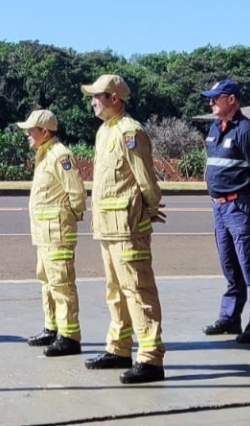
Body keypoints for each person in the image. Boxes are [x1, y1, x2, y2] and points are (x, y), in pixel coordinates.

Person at [80, 74, 167, 384]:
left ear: (114, 99)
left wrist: (151, 208)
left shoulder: (131, 132)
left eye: (97, 96)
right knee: (115, 291)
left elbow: (146, 180)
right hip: (107, 227)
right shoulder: (105, 131)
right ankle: (119, 349)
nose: (92, 101)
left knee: (138, 290)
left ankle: (150, 358)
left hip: (128, 228)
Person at [200, 79, 250, 344]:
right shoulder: (214, 129)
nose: (210, 103)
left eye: (215, 98)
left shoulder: (247, 131)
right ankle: (231, 317)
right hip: (219, 206)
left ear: (231, 100)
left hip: (240, 206)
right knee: (229, 264)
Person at [18, 109, 87, 357]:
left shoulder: (60, 155)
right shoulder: (44, 155)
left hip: (57, 233)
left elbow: (76, 193)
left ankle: (69, 337)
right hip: (44, 234)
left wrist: (70, 218)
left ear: (45, 132)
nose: (27, 134)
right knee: (46, 281)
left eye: (31, 130)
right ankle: (52, 327)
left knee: (61, 283)